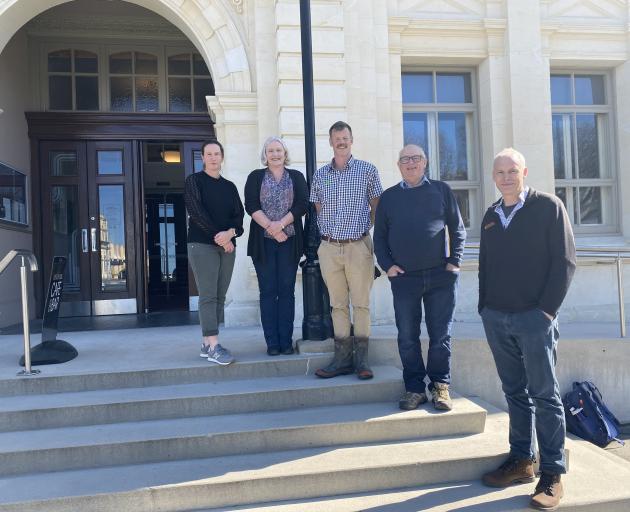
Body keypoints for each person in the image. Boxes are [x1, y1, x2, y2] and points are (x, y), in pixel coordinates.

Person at [479, 148, 576, 511]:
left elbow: (565, 262)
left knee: (544, 394)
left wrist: (546, 312)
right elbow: (485, 265)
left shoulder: (548, 207)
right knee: (514, 393)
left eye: (512, 171)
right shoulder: (491, 215)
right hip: (498, 318)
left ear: (524, 172)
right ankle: (521, 459)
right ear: (494, 176)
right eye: (500, 171)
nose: (506, 177)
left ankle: (551, 473)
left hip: (534, 319)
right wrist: (484, 307)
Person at [374, 144, 465, 411]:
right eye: (405, 159)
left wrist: (454, 262)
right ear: (399, 165)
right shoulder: (389, 197)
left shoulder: (441, 190)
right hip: (404, 280)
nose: (410, 163)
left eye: (416, 158)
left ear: (425, 162)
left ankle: (440, 387)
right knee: (407, 336)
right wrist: (388, 266)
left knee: (441, 336)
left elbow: (457, 229)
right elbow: (379, 238)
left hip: (440, 276)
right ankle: (414, 389)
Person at [310, 121, 383, 380]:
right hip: (329, 248)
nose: (341, 142)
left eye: (345, 138)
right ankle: (341, 359)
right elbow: (318, 208)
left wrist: (362, 231)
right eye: (336, 138)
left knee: (361, 304)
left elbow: (377, 206)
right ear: (330, 142)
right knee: (337, 305)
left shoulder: (367, 171)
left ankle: (362, 360)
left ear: (352, 140)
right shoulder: (321, 175)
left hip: (358, 246)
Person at [244, 137, 309, 356]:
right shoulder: (255, 177)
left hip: (290, 243)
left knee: (287, 292)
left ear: (285, 153)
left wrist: (280, 225)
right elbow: (251, 204)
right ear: (265, 155)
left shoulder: (297, 177)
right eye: (270, 150)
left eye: (278, 150)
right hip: (262, 244)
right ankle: (272, 342)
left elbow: (303, 204)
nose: (275, 154)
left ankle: (286, 341)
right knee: (268, 292)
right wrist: (272, 229)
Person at [185, 139, 244, 365]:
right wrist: (221, 238)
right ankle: (214, 345)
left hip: (227, 246)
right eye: (208, 154)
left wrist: (230, 234)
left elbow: (239, 217)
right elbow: (197, 214)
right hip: (202, 245)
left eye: (216, 153)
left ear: (222, 157)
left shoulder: (229, 187)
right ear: (203, 158)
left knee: (220, 296)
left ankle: (207, 342)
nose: (212, 157)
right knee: (208, 295)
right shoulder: (194, 181)